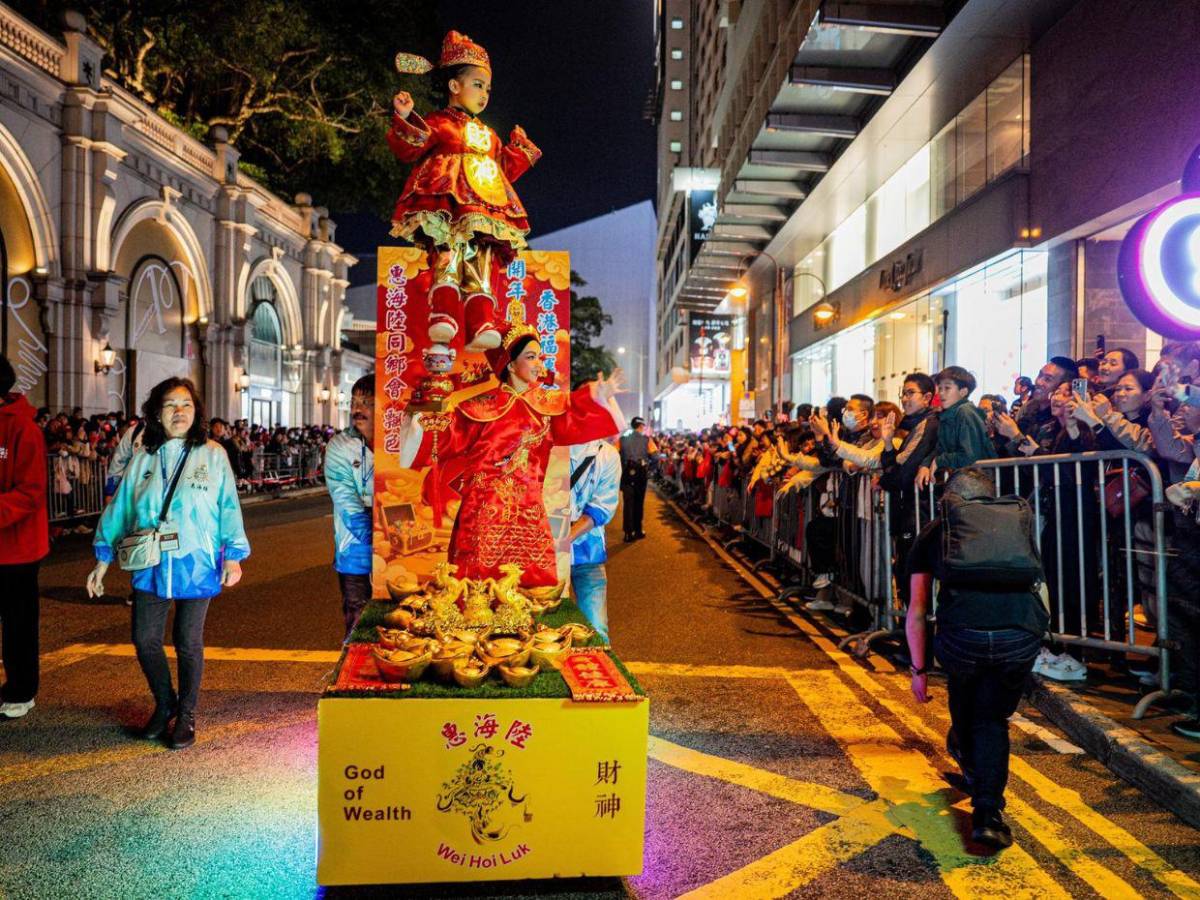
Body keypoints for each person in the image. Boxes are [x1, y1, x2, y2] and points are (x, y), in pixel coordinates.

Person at [87, 378, 250, 749]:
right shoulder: (144, 457)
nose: (179, 412)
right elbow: (122, 507)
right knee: (144, 639)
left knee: (187, 641)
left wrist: (234, 556)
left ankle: (186, 714)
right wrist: (102, 557)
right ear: (156, 413)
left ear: (197, 412)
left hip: (199, 560)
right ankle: (165, 705)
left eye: (186, 404)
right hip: (152, 563)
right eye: (170, 405)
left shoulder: (213, 454)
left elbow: (228, 506)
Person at [399, 323, 622, 589]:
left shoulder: (547, 409)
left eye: (539, 357)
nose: (539, 364)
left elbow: (576, 415)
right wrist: (418, 418)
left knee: (529, 585)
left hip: (528, 513)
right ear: (510, 364)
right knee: (477, 587)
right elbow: (441, 439)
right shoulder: (478, 408)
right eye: (530, 357)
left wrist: (598, 396)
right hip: (483, 514)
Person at [906, 467, 1048, 849]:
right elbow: (1038, 584)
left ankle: (967, 755)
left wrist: (919, 670)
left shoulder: (935, 531)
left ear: (948, 501)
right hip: (1018, 636)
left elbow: (917, 611)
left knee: (966, 700)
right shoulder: (1015, 523)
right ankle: (988, 813)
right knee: (992, 719)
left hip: (961, 637)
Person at [388, 30, 541, 351]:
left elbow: (504, 168)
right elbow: (414, 144)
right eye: (477, 84)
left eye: (487, 88)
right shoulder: (440, 123)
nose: (484, 94)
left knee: (481, 258)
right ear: (454, 86)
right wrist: (404, 117)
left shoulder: (489, 134)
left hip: (485, 206)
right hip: (446, 199)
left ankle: (481, 320)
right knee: (447, 252)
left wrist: (521, 148)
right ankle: (442, 314)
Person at [0, 356, 49, 719]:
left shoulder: (23, 428)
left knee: (18, 626)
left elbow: (31, 492)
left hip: (17, 550)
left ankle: (21, 691)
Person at [325, 375, 375, 639]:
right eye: (354, 401)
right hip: (354, 551)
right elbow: (345, 499)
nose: (357, 409)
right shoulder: (339, 446)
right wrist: (382, 538)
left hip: (399, 554)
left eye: (366, 402)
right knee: (357, 619)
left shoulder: (399, 442)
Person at [568, 437, 621, 642]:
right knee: (544, 632)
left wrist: (565, 538)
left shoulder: (607, 454)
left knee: (596, 630)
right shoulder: (544, 448)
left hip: (588, 552)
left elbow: (602, 508)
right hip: (545, 556)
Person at [917, 366, 993, 489]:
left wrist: (940, 460)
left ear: (963, 392)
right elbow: (940, 449)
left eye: (947, 388)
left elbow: (970, 456)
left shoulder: (965, 412)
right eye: (939, 388)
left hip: (980, 483)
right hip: (967, 481)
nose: (941, 393)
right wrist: (925, 464)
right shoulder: (947, 415)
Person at [618, 417, 658, 542]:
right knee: (638, 503)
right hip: (641, 475)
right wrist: (649, 469)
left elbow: (614, 455)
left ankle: (628, 533)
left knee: (628, 504)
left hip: (627, 475)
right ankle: (638, 530)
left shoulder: (622, 440)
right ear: (641, 426)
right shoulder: (647, 440)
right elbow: (656, 457)